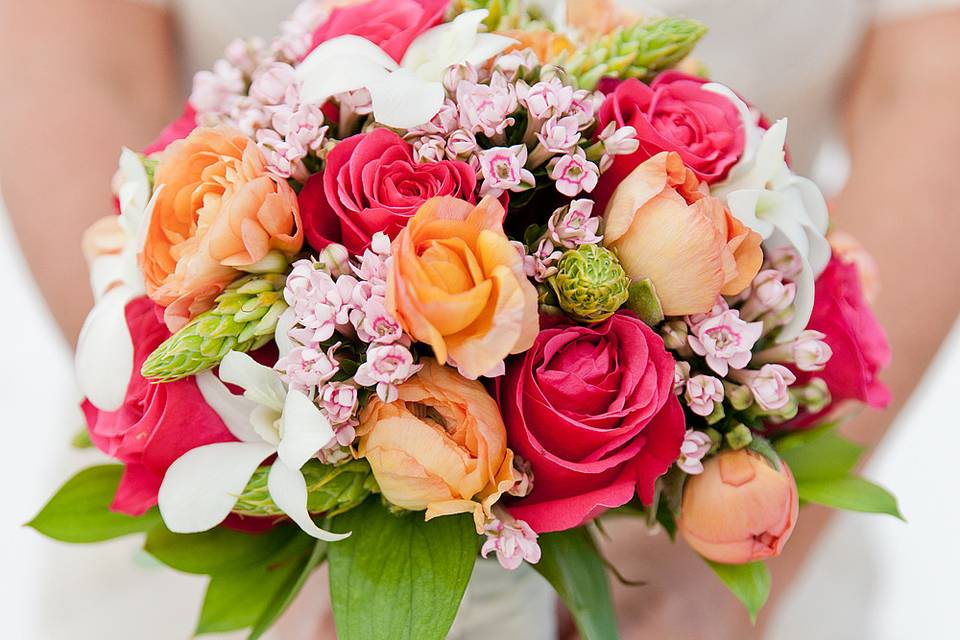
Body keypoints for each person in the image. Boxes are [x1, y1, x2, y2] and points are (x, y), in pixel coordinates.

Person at [1, 0, 959, 638]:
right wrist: (216, 407)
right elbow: (71, 45)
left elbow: (932, 74)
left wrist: (723, 571)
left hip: (712, 470)